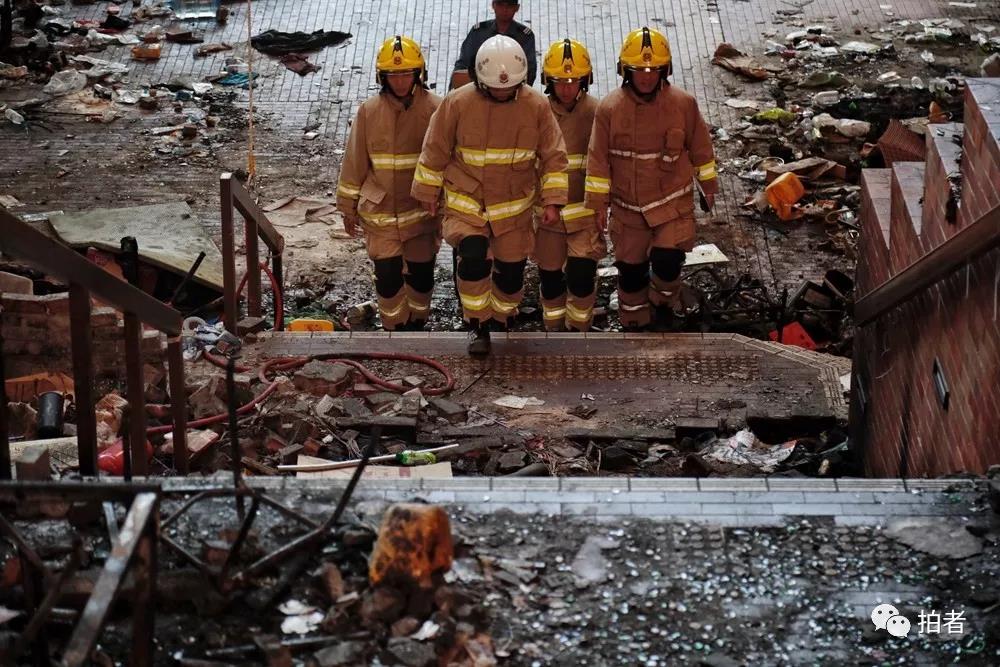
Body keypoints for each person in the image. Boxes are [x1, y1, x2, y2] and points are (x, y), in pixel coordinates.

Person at [412, 35, 567, 355]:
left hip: (514, 208)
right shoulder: (457, 103)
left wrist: (553, 199)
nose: (502, 92)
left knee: (511, 276)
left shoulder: (536, 106)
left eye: (508, 88)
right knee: (472, 257)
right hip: (467, 202)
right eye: (495, 88)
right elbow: (434, 150)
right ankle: (477, 324)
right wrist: (427, 191)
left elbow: (553, 155)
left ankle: (501, 314)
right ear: (480, 81)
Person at [584, 27, 718, 331]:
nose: (646, 76)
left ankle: (663, 306)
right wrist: (597, 206)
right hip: (628, 209)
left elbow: (701, 149)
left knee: (668, 262)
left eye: (653, 69)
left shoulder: (683, 104)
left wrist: (709, 188)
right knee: (631, 273)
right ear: (625, 71)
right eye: (639, 69)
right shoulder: (609, 109)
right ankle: (634, 321)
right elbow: (598, 159)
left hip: (672, 204)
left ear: (664, 70)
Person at [336, 36, 442, 331]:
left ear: (419, 73)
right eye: (393, 75)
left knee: (421, 276)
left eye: (406, 73)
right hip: (380, 214)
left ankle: (417, 324)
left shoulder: (437, 109)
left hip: (421, 214)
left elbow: (448, 160)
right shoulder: (369, 112)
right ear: (382, 76)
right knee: (388, 277)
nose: (400, 81)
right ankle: (394, 329)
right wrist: (347, 207)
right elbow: (354, 161)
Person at [533, 38, 605, 332]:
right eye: (560, 81)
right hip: (547, 217)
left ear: (584, 80)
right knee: (550, 281)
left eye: (574, 80)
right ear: (548, 80)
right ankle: (553, 332)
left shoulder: (597, 113)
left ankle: (579, 332)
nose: (566, 87)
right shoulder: (536, 111)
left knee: (581, 276)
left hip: (584, 215)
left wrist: (603, 207)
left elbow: (604, 162)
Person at [451, 0, 536, 89]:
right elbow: (463, 65)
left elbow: (529, 71)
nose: (505, 9)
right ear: (493, 5)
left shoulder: (525, 36)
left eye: (509, 5)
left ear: (517, 8)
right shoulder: (478, 32)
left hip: (512, 90)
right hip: (478, 90)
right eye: (500, 4)